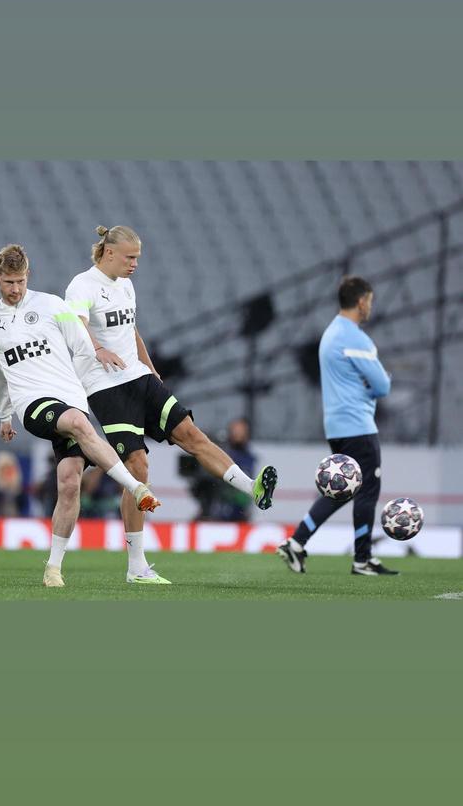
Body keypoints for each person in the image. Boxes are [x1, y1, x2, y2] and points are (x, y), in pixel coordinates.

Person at [65, 225, 278, 583]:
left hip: (139, 377)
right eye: (130, 257)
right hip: (105, 386)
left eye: (137, 258)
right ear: (109, 253)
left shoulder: (126, 285)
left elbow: (131, 330)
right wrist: (98, 349)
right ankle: (136, 567)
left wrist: (150, 368)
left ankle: (252, 487)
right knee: (138, 467)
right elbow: (76, 322)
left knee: (192, 434)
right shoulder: (82, 285)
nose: (135, 264)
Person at [0, 243, 162, 589]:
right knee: (79, 425)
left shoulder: (52, 305)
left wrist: (87, 372)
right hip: (32, 404)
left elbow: (82, 345)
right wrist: (4, 415)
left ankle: (53, 568)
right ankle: (136, 487)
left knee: (68, 484)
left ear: (28, 276)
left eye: (20, 281)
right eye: (8, 282)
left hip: (69, 399)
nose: (15, 289)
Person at [277, 275, 397, 576]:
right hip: (358, 424)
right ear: (361, 301)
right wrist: (376, 382)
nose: (370, 306)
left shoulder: (331, 333)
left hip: (336, 425)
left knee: (342, 490)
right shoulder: (355, 338)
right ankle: (362, 559)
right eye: (370, 301)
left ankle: (296, 542)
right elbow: (382, 386)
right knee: (367, 490)